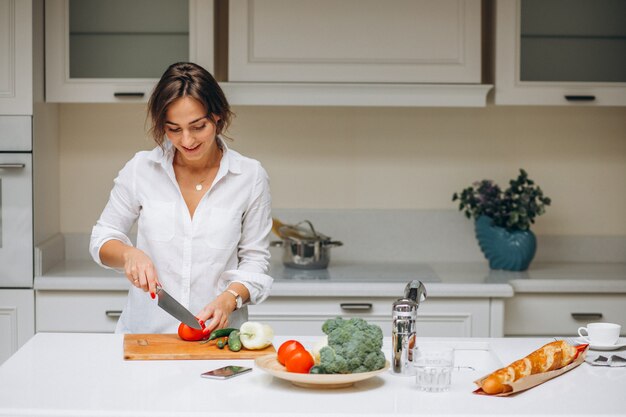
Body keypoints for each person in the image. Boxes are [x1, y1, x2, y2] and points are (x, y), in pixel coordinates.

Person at [89, 62, 273, 334]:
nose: (186, 140)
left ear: (218, 117)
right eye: (173, 129)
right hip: (146, 337)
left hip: (217, 340)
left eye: (197, 126)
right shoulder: (141, 169)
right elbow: (102, 237)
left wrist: (229, 299)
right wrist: (129, 254)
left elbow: (255, 261)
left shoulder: (249, 176)